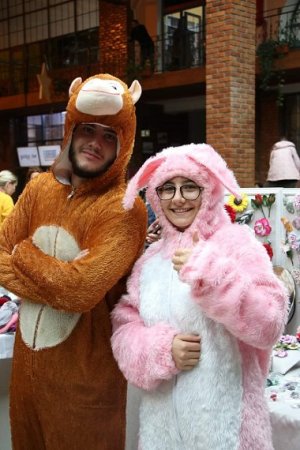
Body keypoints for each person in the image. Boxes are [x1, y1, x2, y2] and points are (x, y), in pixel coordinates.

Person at [0, 73, 147, 450]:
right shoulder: (38, 189)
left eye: (109, 136)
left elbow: (79, 292)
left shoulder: (124, 209)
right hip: (26, 380)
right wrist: (57, 274)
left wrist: (24, 253)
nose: (95, 143)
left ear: (123, 144)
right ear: (71, 129)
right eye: (88, 130)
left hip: (85, 387)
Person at [111, 143, 288, 450]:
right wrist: (161, 350)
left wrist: (212, 276)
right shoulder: (150, 261)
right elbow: (125, 328)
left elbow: (270, 322)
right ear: (154, 195)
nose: (178, 198)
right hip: (161, 436)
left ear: (209, 190)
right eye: (167, 188)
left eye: (189, 187)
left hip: (230, 436)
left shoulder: (236, 244)